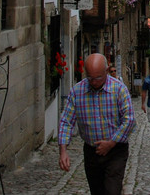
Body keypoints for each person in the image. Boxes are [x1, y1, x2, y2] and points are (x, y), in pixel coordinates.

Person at [57, 53, 135, 195]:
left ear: (106, 71)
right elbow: (66, 121)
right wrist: (63, 150)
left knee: (112, 190)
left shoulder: (119, 89)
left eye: (98, 78)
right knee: (97, 190)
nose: (93, 82)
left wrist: (111, 143)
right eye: (90, 78)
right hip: (92, 151)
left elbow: (129, 120)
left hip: (116, 150)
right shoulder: (77, 92)